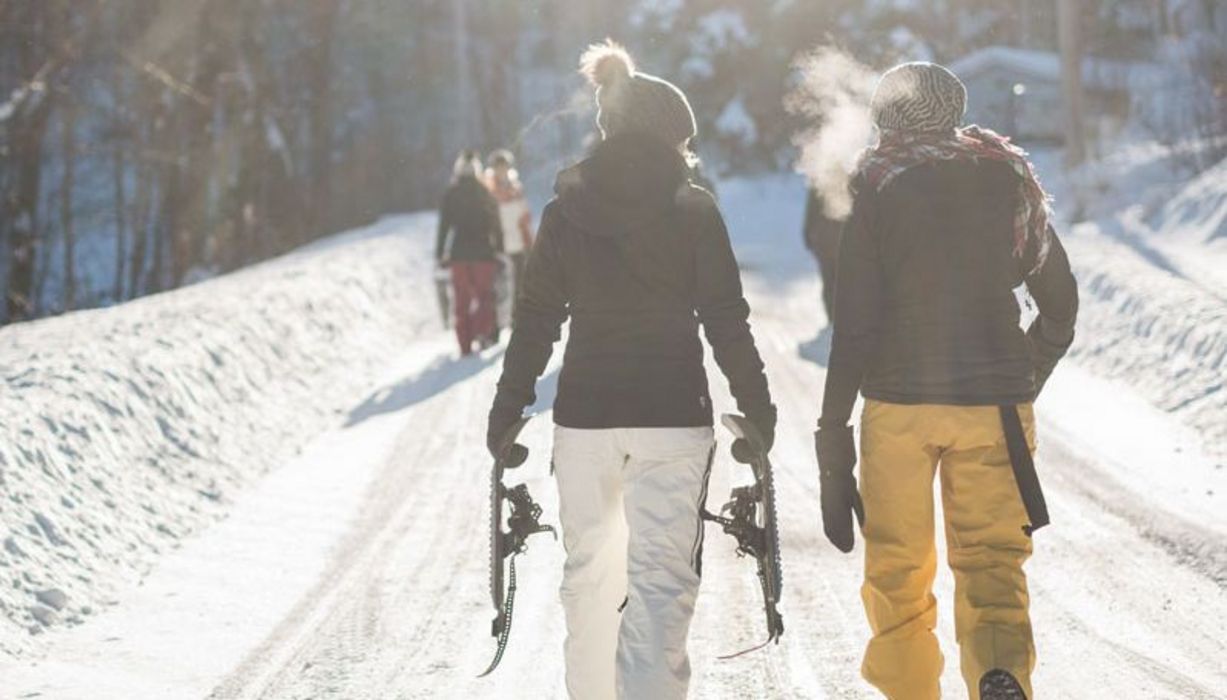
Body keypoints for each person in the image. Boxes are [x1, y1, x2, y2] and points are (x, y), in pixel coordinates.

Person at [486, 41, 775, 700]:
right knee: (658, 586)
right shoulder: (694, 209)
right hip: (672, 418)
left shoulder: (565, 212)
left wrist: (507, 410)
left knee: (588, 582)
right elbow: (726, 319)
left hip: (585, 420)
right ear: (674, 138)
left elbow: (534, 320)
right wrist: (759, 408)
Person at [814, 62, 1078, 700]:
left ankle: (909, 691)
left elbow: (854, 324)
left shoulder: (875, 182)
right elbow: (1060, 304)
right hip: (994, 404)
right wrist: (1024, 376)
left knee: (898, 572)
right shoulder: (1008, 175)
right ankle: (999, 674)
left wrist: (832, 434)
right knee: (992, 564)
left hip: (898, 409)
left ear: (887, 117)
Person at [437, 150, 502, 356]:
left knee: (461, 301)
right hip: (484, 254)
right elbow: (496, 224)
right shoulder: (485, 192)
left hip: (459, 255)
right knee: (485, 297)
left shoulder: (451, 194)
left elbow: (444, 226)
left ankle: (464, 345)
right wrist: (499, 249)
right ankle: (481, 331)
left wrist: (440, 253)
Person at [485, 149, 535, 321]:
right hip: (498, 244)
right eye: (498, 167)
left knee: (519, 284)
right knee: (498, 286)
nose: (502, 170)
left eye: (504, 167)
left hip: (519, 242)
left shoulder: (516, 187)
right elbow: (488, 217)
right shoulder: (489, 190)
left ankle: (516, 319)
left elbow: (525, 214)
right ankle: (496, 324)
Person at [802, 187, 843, 322]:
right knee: (842, 280)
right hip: (841, 240)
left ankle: (832, 316)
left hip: (824, 240)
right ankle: (839, 316)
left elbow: (811, 210)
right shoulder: (848, 177)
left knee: (829, 280)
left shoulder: (819, 179)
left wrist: (807, 233)